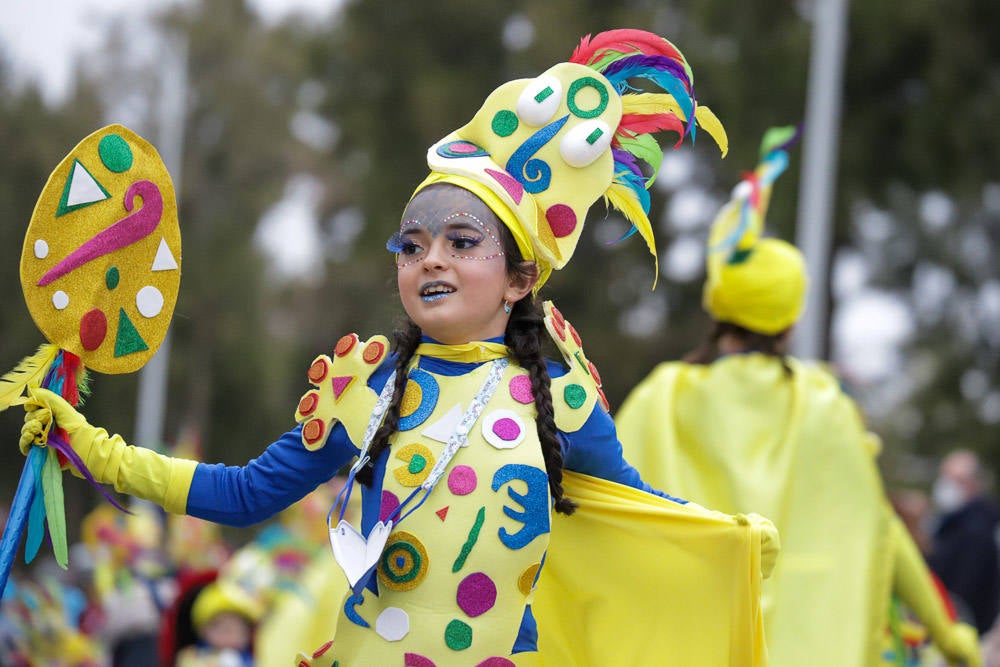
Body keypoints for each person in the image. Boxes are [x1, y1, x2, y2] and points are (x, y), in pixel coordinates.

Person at [19, 30, 776, 666]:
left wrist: (732, 546)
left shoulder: (560, 395)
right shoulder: (364, 384)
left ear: (518, 278)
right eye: (411, 245)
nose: (430, 260)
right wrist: (94, 447)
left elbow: (640, 520)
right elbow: (245, 492)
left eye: (460, 241)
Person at [614, 129, 982, 667]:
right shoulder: (824, 404)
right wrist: (952, 640)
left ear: (718, 312)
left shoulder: (662, 395)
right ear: (790, 320)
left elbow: (597, 507)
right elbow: (881, 530)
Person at [930, 449, 1000, 635]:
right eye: (944, 477)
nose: (946, 485)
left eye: (955, 480)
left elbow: (964, 590)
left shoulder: (978, 527)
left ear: (973, 483)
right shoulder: (950, 523)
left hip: (967, 629)